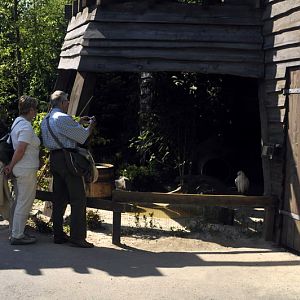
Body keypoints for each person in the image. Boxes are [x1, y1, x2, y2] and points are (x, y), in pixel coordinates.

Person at [41, 90, 96, 248]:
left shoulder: (46, 119)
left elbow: (60, 130)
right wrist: (91, 126)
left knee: (59, 199)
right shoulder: (63, 118)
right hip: (68, 160)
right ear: (63, 103)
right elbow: (83, 137)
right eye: (67, 101)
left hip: (54, 159)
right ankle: (78, 238)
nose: (68, 104)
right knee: (78, 199)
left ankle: (57, 234)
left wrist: (77, 121)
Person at [4, 95, 40, 245]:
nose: (36, 112)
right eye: (35, 110)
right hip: (25, 169)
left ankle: (15, 230)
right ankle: (18, 235)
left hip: (21, 169)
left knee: (19, 201)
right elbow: (20, 149)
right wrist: (11, 166)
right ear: (30, 110)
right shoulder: (25, 126)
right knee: (24, 202)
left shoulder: (17, 122)